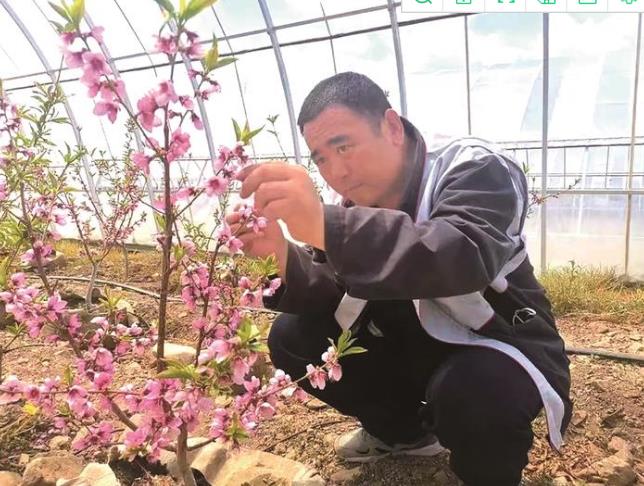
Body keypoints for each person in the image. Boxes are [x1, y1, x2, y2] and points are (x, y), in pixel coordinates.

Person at [228, 72, 572, 486]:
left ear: (391, 127)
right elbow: (333, 288)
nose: (336, 171)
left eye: (343, 146)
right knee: (294, 337)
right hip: (409, 343)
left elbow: (463, 253)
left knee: (474, 393)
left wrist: (325, 225)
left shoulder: (476, 167)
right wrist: (281, 256)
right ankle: (403, 435)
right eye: (321, 159)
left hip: (494, 340)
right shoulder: (349, 202)